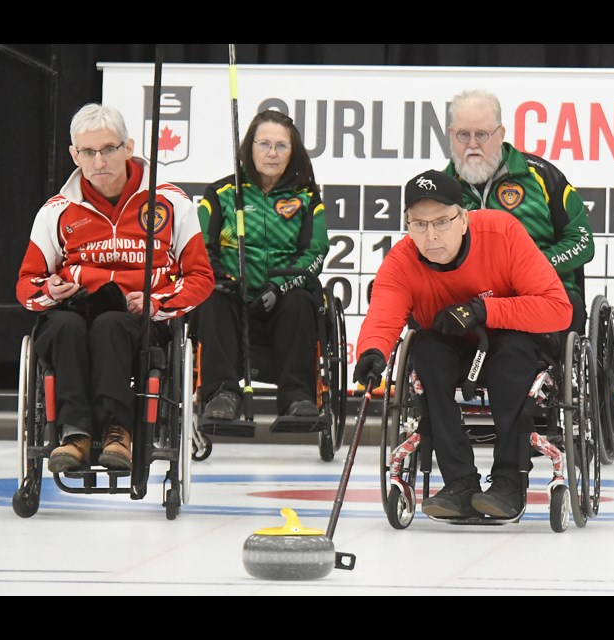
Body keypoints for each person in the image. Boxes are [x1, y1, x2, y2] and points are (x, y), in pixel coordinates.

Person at [353, 169, 573, 520]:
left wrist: (484, 309)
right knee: (424, 350)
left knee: (512, 358)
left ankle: (508, 481)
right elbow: (384, 313)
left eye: (442, 222)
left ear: (463, 219)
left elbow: (557, 309)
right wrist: (372, 352)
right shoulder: (401, 262)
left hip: (510, 338)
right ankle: (459, 481)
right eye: (419, 224)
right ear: (407, 226)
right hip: (449, 345)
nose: (431, 235)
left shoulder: (502, 233)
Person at [16, 103, 214, 473]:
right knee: (64, 326)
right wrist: (51, 289)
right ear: (75, 155)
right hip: (75, 312)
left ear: (128, 147)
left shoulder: (172, 202)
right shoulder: (56, 211)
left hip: (139, 319)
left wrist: (158, 303)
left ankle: (117, 433)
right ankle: (74, 435)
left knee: (111, 324)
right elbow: (27, 285)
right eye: (88, 152)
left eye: (108, 149)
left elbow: (200, 277)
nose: (99, 160)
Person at [197, 109, 329, 420]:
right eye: (264, 144)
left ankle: (297, 397)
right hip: (232, 296)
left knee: (301, 300)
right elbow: (200, 248)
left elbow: (316, 253)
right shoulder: (220, 194)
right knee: (210, 295)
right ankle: (222, 394)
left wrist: (279, 287)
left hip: (282, 299)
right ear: (249, 148)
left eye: (281, 146)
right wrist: (224, 278)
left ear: (292, 151)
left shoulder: (308, 198)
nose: (272, 153)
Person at [444, 89, 593, 332]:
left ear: (500, 134)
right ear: (451, 136)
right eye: (463, 135)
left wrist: (533, 267)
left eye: (481, 134)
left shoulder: (541, 175)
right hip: (470, 302)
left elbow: (581, 241)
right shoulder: (441, 189)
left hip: (544, 294)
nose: (472, 144)